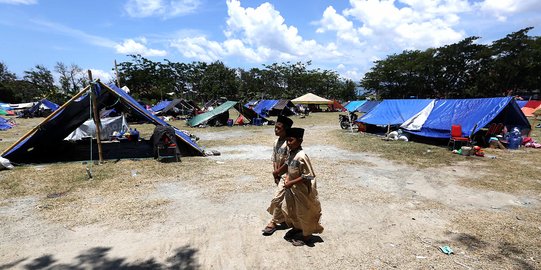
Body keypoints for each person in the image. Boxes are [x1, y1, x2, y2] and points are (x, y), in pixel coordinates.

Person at [281, 127, 324, 246]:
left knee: (303, 213)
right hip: (291, 190)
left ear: (300, 141)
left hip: (301, 191)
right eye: (287, 141)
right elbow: (290, 169)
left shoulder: (302, 156)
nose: (288, 143)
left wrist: (292, 182)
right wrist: (287, 180)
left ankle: (306, 235)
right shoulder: (291, 154)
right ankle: (297, 227)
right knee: (289, 209)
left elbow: (309, 175)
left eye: (291, 140)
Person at [262, 115, 294, 236]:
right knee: (284, 198)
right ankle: (287, 219)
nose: (276, 130)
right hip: (278, 174)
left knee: (277, 198)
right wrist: (275, 172)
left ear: (285, 129)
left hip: (287, 175)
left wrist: (278, 172)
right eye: (275, 127)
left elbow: (288, 162)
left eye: (279, 128)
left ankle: (273, 222)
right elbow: (275, 158)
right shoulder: (276, 142)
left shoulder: (290, 143)